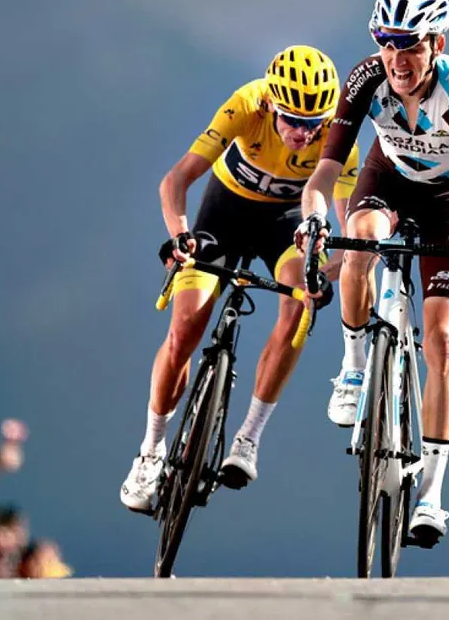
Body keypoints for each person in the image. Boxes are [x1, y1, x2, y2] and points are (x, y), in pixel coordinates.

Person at [298, 0, 449, 545]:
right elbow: (322, 178)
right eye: (386, 43)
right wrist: (313, 218)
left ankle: (431, 495)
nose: (397, 58)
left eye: (410, 45)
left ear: (436, 44)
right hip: (387, 178)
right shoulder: (366, 79)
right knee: (360, 238)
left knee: (442, 339)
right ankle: (353, 367)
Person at [119, 45, 358, 511]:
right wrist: (180, 235)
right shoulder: (247, 104)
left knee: (300, 305)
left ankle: (248, 437)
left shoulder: (338, 137)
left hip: (286, 223)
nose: (303, 134)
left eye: (314, 124)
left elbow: (348, 237)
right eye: (293, 121)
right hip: (224, 214)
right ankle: (150, 450)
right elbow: (175, 181)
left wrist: (328, 271)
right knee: (184, 329)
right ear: (271, 104)